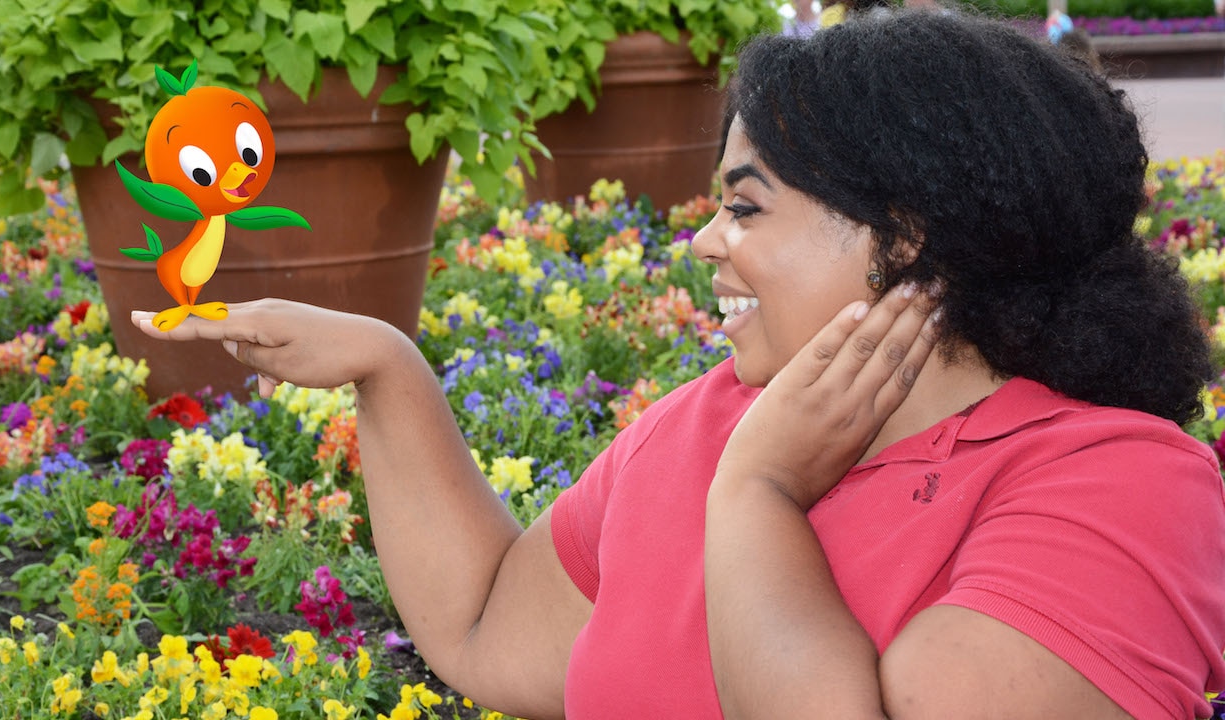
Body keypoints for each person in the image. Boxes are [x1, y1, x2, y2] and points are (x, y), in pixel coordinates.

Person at [134, 9, 1225, 719]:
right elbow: (483, 630)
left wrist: (757, 495)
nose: (703, 244)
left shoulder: (1120, 483)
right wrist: (385, 366)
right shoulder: (699, 424)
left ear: (902, 237)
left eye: (743, 207)